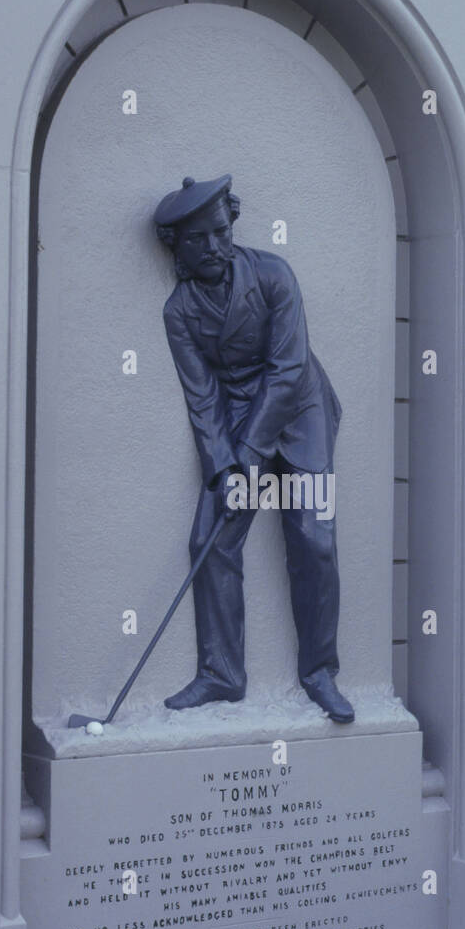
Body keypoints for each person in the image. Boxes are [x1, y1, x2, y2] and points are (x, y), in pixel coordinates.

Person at [154, 174, 354, 723]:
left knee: (313, 536)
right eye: (198, 240)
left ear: (231, 223)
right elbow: (203, 400)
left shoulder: (273, 275)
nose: (214, 247)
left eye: (220, 232)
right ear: (178, 247)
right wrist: (226, 468)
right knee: (210, 537)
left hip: (302, 409)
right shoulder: (179, 312)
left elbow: (288, 370)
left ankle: (320, 671)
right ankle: (221, 674)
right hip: (239, 417)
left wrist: (251, 451)